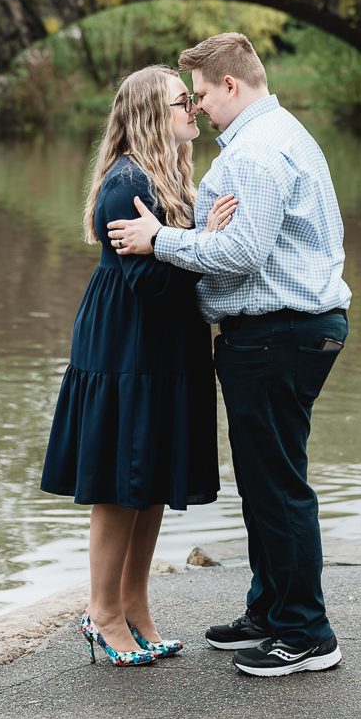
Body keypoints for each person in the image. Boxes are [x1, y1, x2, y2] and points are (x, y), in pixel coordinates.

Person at [109, 33, 351, 678]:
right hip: (283, 330)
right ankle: (270, 610)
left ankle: (305, 633)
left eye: (205, 94)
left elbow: (241, 254)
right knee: (265, 483)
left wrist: (162, 238)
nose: (200, 108)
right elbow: (239, 243)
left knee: (277, 487)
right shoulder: (278, 136)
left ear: (232, 86)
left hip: (278, 332)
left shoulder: (257, 152)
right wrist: (193, 234)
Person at [40, 66, 235, 668]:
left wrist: (195, 239)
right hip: (127, 344)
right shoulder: (128, 182)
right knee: (120, 482)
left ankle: (134, 604)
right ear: (152, 112)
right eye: (183, 101)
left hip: (167, 345)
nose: (193, 110)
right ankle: (101, 613)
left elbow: (170, 265)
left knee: (148, 481)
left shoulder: (171, 178)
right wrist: (206, 241)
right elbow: (148, 282)